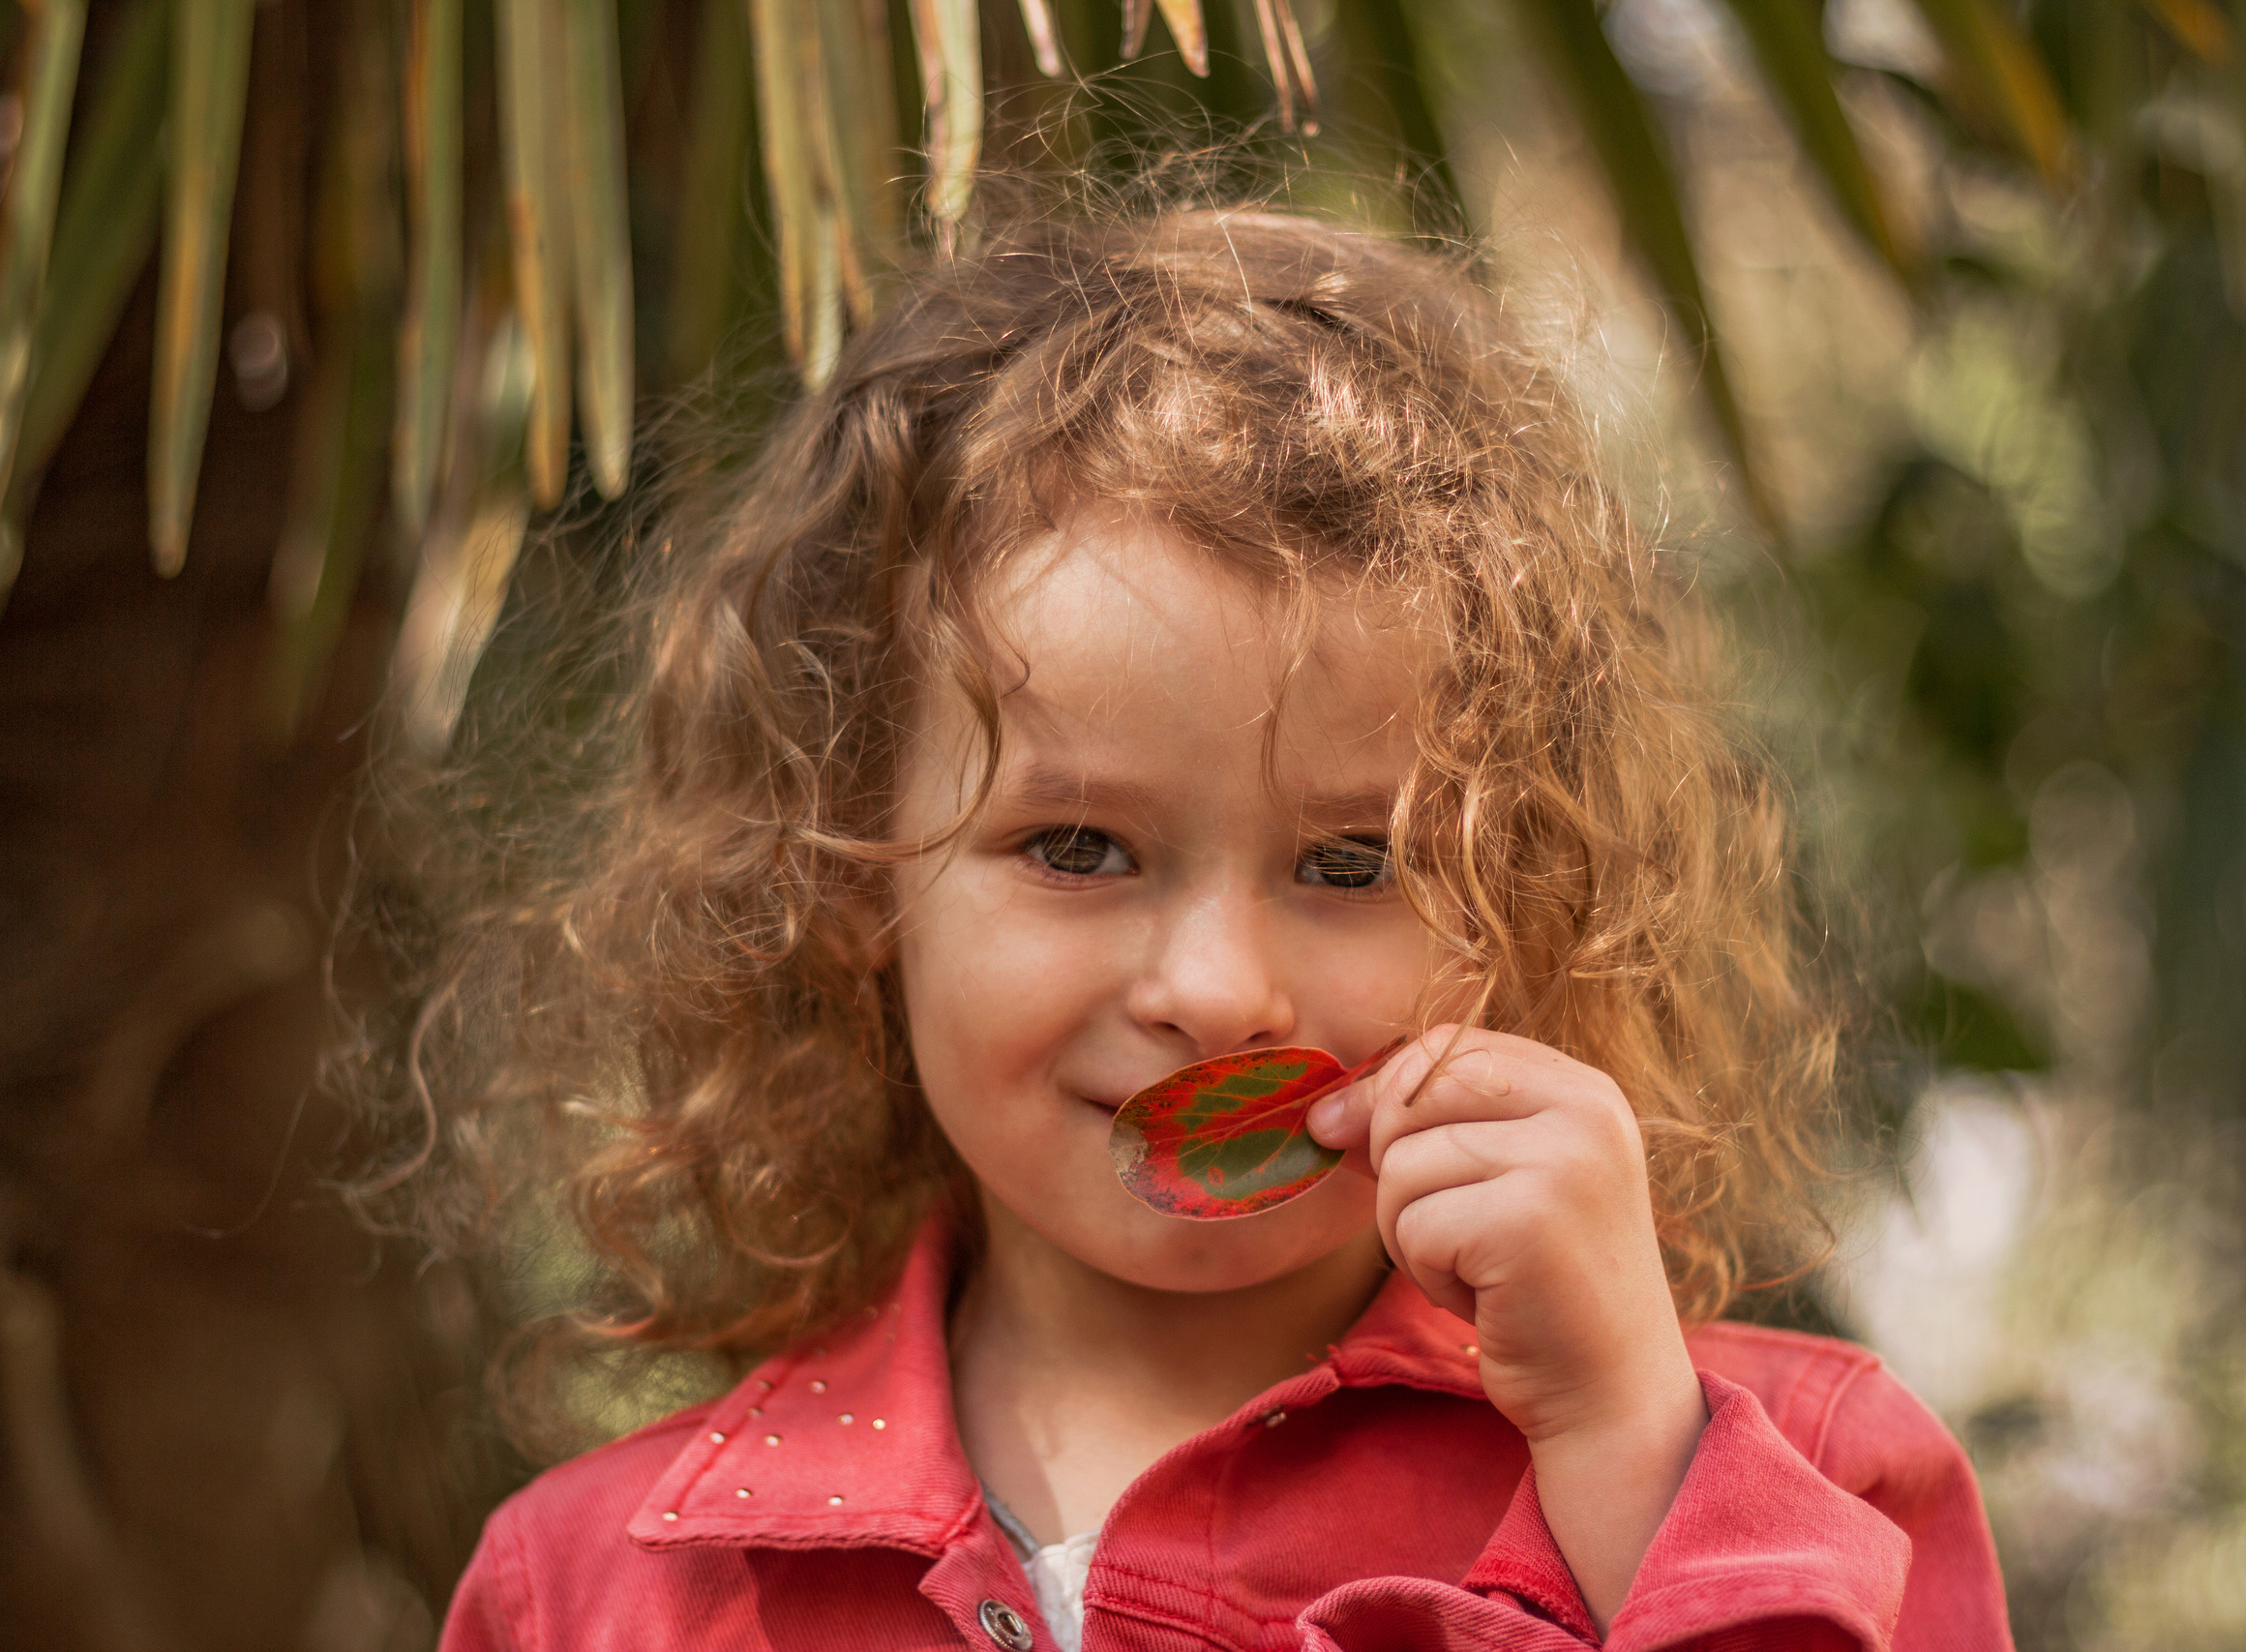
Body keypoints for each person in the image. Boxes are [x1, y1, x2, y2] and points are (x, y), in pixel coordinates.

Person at [407, 203, 2011, 1651]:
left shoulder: (1822, 1489)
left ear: (1522, 903)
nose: (1220, 991)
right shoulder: (604, 1591)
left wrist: (1627, 1460)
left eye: (1349, 866)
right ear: (848, 873)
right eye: (1080, 846)